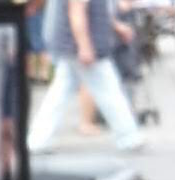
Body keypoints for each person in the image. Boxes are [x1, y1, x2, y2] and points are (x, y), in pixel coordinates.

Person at [28, 0, 145, 152]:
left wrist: (116, 27)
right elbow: (77, 11)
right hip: (80, 45)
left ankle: (37, 140)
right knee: (109, 91)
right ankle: (129, 137)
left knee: (59, 94)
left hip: (72, 44)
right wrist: (84, 46)